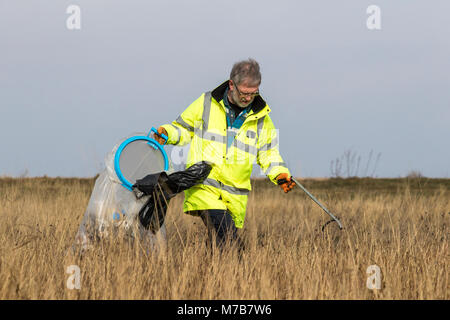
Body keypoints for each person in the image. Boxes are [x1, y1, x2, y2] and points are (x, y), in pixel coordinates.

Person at [153, 58, 295, 250]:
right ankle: (241, 273)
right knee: (230, 244)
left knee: (220, 247)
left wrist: (280, 174)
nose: (248, 98)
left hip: (234, 196)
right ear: (231, 85)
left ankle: (212, 278)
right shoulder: (206, 103)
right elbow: (184, 129)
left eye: (253, 93)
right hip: (204, 185)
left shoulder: (262, 119)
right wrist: (167, 133)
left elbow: (268, 153)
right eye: (244, 93)